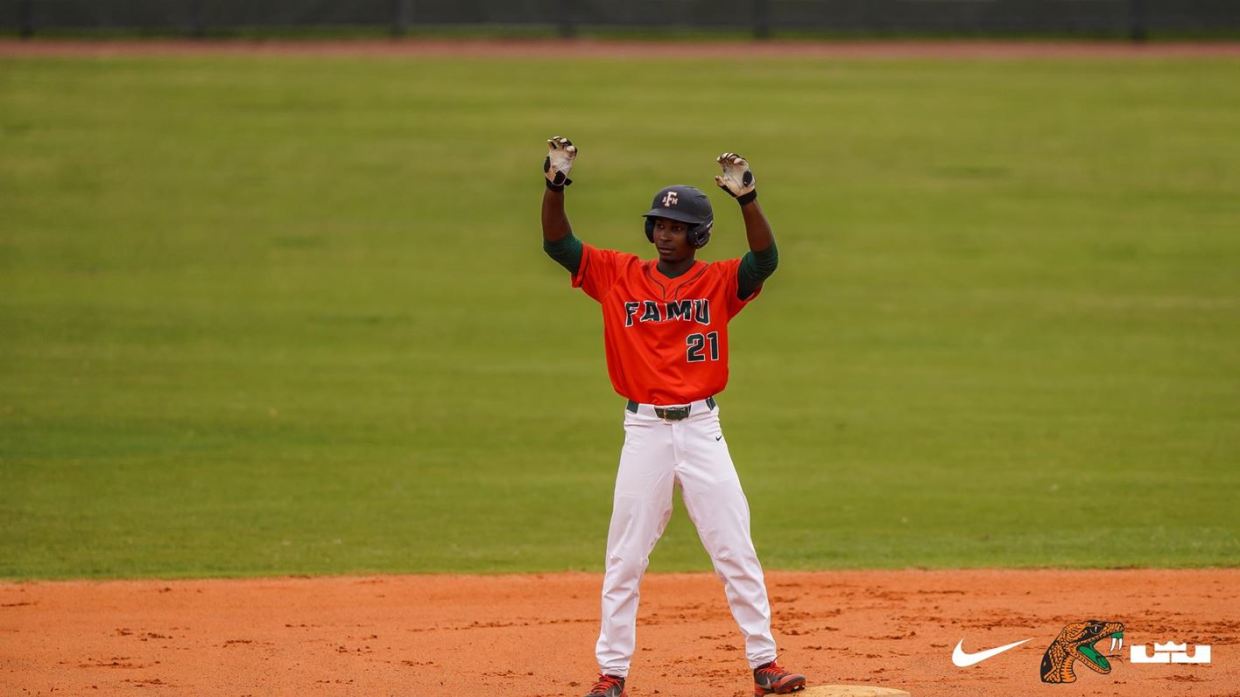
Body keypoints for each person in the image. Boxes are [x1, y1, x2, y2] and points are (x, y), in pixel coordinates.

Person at [540, 137, 807, 697]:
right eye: (659, 224)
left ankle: (765, 664)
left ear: (698, 236)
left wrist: (748, 200)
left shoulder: (717, 282)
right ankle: (612, 673)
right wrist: (554, 186)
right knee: (625, 558)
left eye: (677, 226)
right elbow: (559, 244)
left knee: (735, 549)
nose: (665, 233)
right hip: (644, 433)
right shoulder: (617, 275)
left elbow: (767, 262)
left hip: (703, 431)